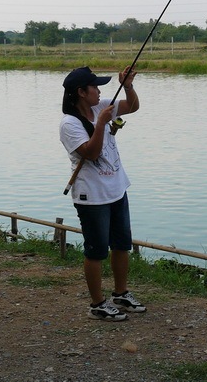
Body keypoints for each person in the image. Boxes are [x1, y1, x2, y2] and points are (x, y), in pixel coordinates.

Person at [59, 65, 146, 321]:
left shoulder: (101, 106)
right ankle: (97, 304)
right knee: (96, 251)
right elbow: (91, 153)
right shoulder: (69, 124)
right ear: (81, 92)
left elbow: (132, 107)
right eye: (95, 86)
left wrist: (128, 86)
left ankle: (121, 293)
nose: (99, 91)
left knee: (121, 245)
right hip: (91, 196)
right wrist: (100, 123)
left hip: (117, 189)